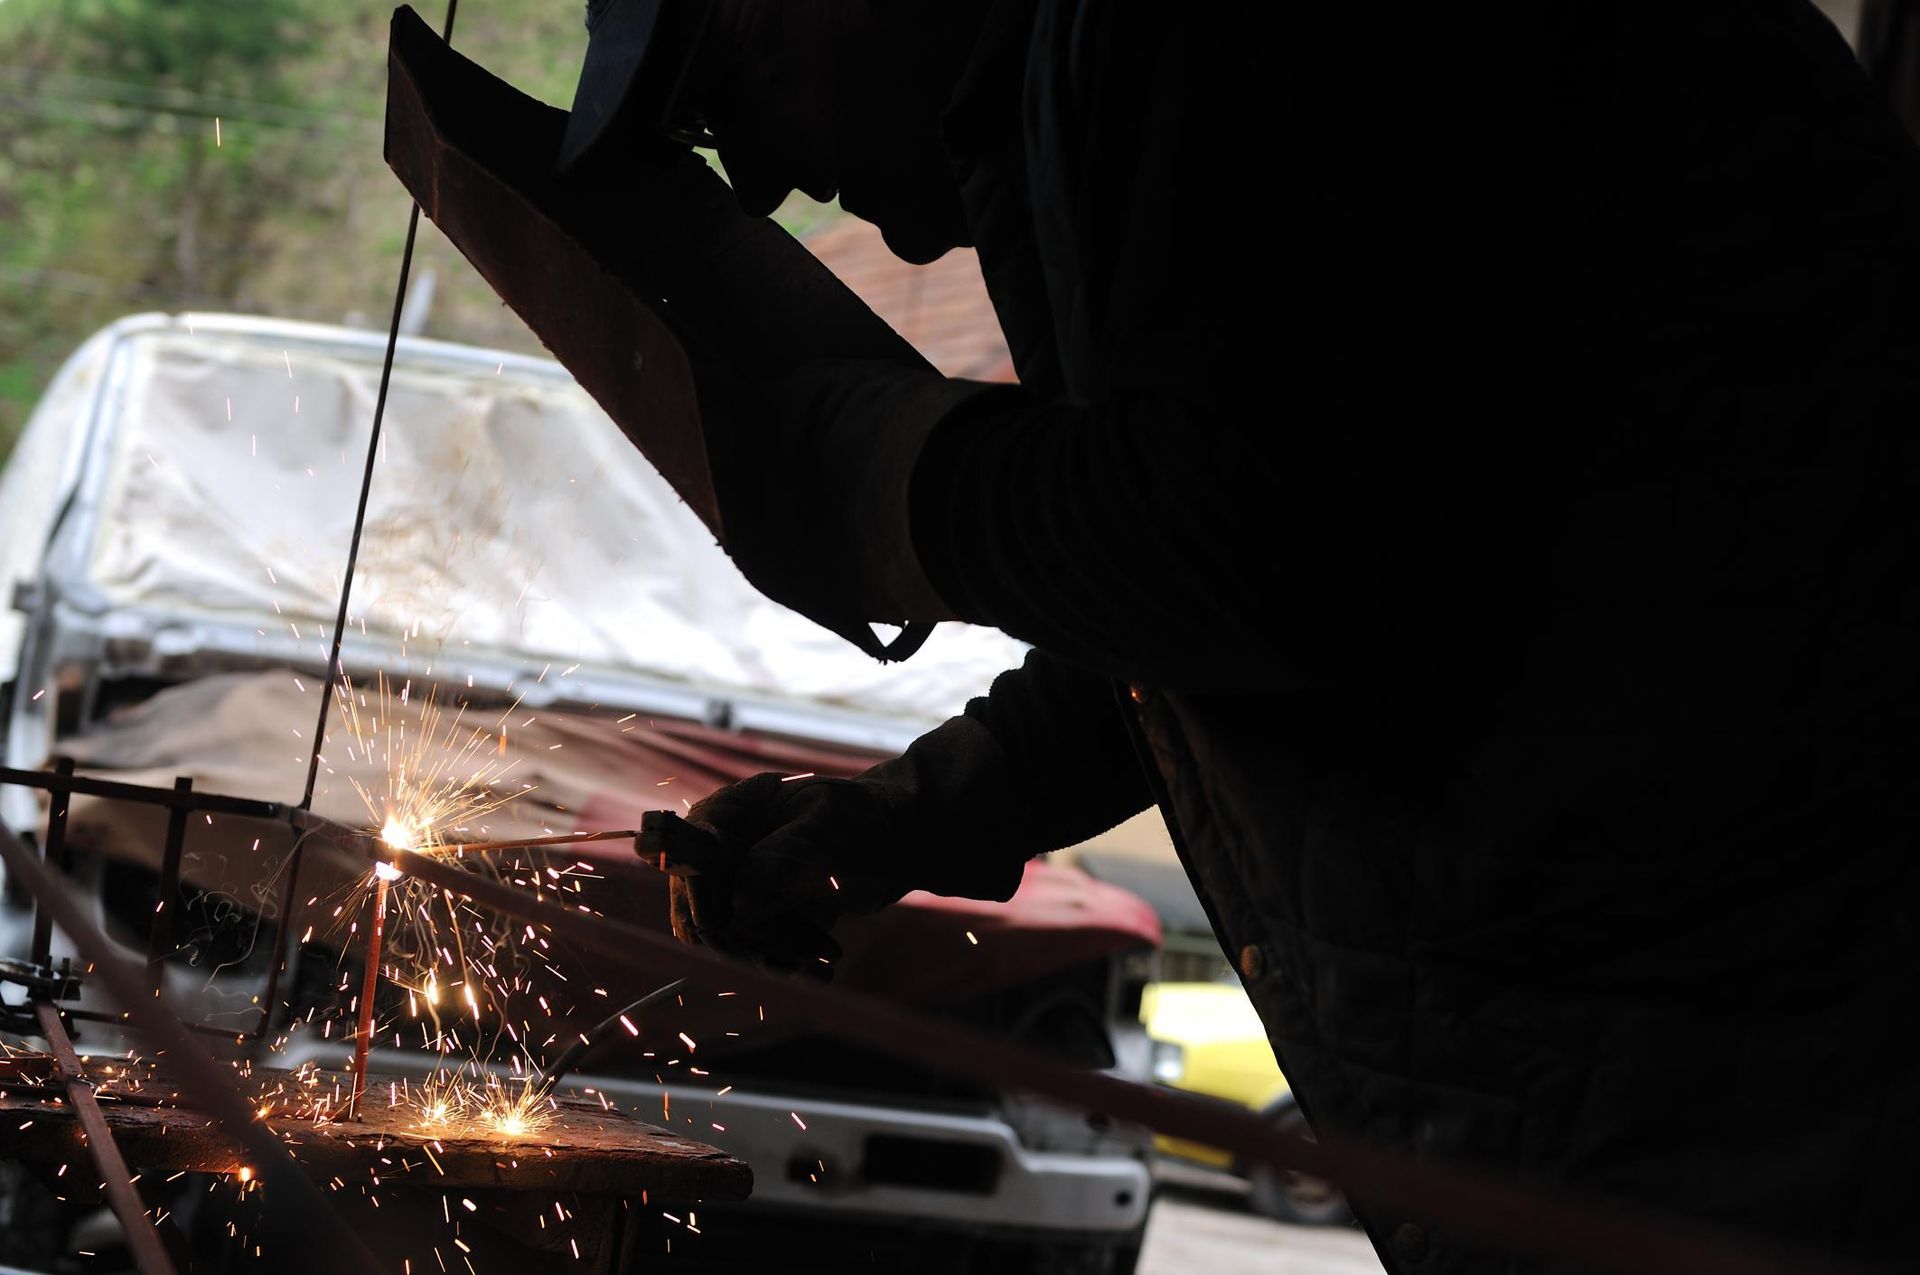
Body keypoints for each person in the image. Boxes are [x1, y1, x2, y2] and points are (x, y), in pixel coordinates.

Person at [417, 1, 1920, 1270]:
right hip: (1673, 1062)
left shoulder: (1193, 38)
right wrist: (914, 812)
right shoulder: (1094, 97)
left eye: (711, 94)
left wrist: (881, 478)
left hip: (1775, 1064)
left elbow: (1270, 551)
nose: (751, 177)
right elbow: (1254, 564)